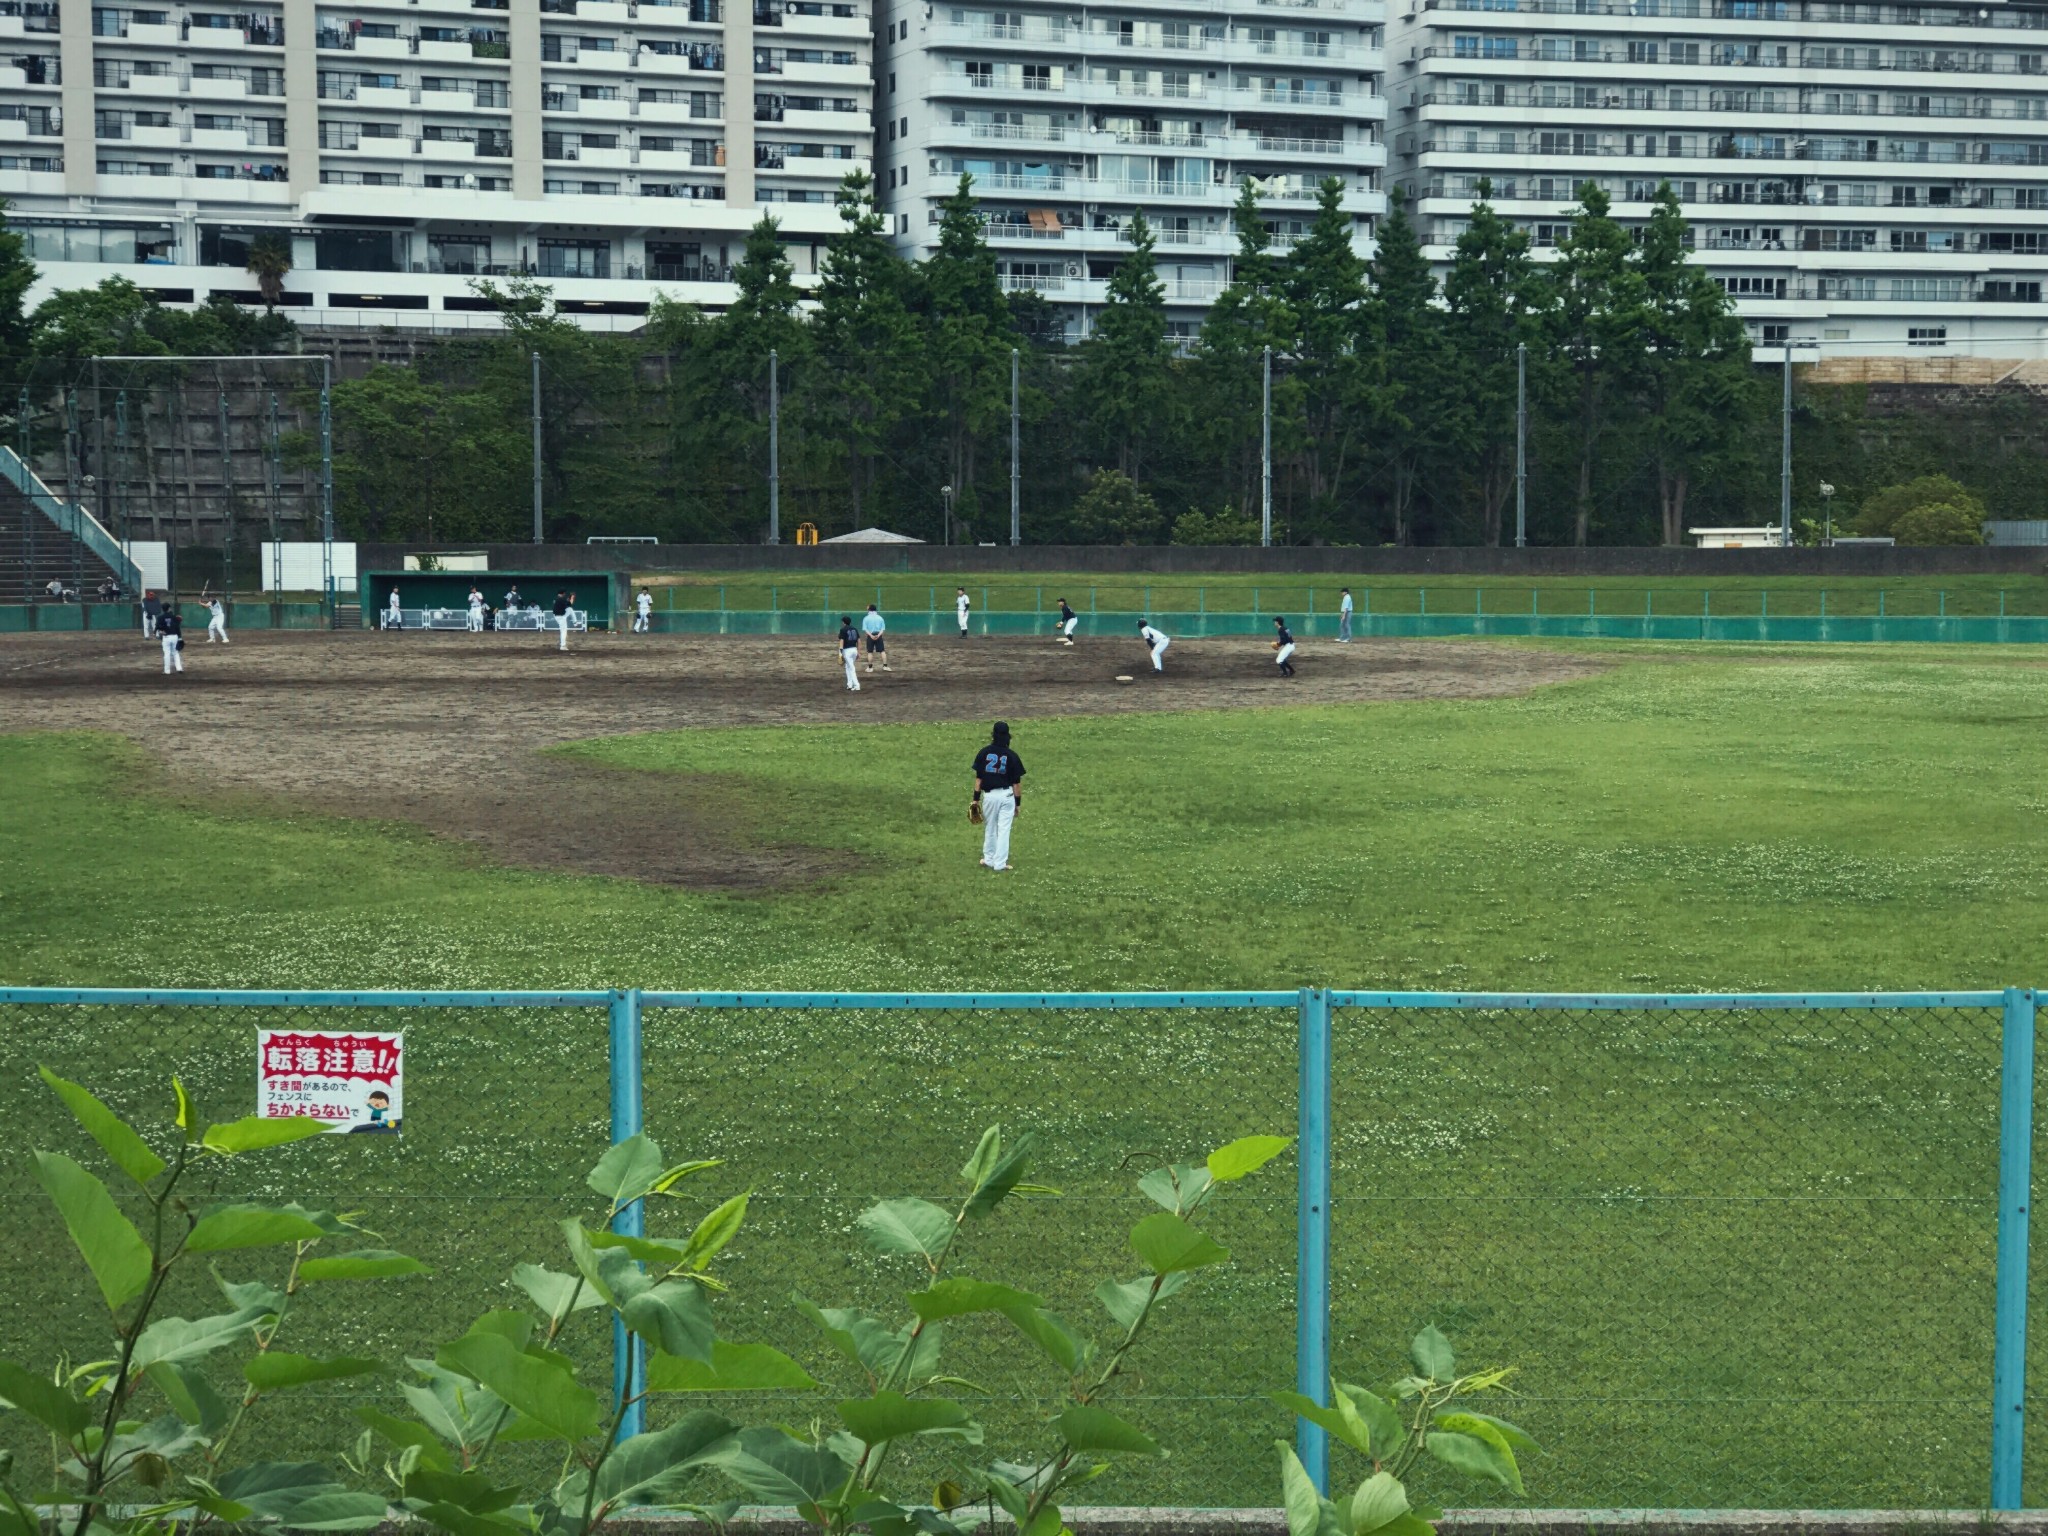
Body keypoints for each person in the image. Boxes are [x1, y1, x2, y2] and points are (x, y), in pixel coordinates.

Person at [971, 721, 1025, 872]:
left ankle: (988, 859)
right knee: (1003, 830)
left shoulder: (984, 753)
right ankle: (1000, 864)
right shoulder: (1012, 756)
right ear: (1008, 736)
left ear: (993, 735)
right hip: (1007, 796)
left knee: (990, 827)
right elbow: (1016, 784)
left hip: (989, 796)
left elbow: (978, 780)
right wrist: (1017, 804)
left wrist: (975, 800)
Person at [860, 603, 889, 672]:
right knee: (882, 651)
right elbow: (882, 629)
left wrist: (871, 636)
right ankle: (885, 666)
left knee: (870, 652)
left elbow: (865, 629)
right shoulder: (880, 618)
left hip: (870, 636)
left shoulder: (866, 618)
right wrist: (878, 635)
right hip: (878, 635)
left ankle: (870, 668)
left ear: (869, 609)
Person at [157, 602, 184, 675]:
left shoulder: (160, 617)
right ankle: (179, 668)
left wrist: (160, 632)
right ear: (169, 608)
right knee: (175, 652)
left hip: (166, 637)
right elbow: (177, 628)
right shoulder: (174, 617)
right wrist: (180, 638)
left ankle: (167, 671)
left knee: (167, 654)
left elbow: (159, 628)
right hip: (174, 636)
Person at [837, 614, 862, 691]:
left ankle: (857, 685)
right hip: (854, 650)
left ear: (843, 622)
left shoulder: (843, 630)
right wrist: (859, 652)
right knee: (848, 667)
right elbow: (859, 641)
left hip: (847, 651)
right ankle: (849, 685)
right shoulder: (855, 629)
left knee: (851, 668)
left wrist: (840, 653)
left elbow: (841, 641)